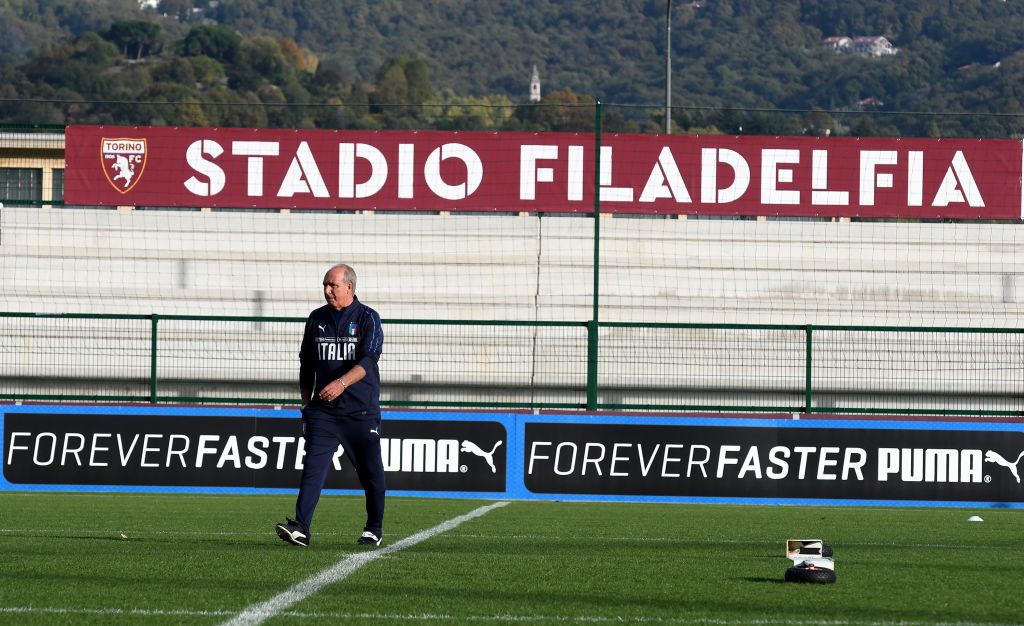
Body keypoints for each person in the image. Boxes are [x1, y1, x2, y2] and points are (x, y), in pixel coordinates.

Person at [276, 263, 385, 547]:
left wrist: (341, 384)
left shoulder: (367, 318)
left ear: (349, 287)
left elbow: (368, 361)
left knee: (371, 473)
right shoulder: (316, 318)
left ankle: (373, 528)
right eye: (325, 285)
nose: (327, 290)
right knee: (312, 469)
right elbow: (306, 365)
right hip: (323, 414)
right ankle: (301, 527)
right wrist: (305, 406)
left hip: (361, 412)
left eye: (332, 285)